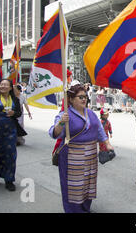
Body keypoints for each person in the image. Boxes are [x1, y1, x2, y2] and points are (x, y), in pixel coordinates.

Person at [49, 84, 113, 213]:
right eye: (80, 97)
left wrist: (107, 143)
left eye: (85, 97)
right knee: (73, 185)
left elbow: (99, 129)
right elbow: (53, 133)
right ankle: (73, 210)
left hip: (90, 156)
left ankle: (85, 207)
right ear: (71, 99)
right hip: (72, 156)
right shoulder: (65, 114)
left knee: (87, 183)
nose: (84, 99)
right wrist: (61, 122)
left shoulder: (90, 113)